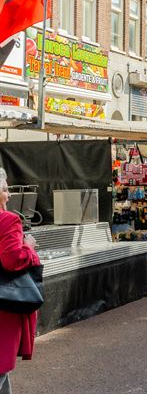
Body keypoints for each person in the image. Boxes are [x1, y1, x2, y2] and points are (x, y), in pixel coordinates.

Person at [0, 168, 41, 394]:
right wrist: (29, 246)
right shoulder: (8, 220)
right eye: (5, 190)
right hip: (4, 302)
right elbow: (13, 260)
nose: (9, 195)